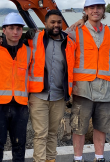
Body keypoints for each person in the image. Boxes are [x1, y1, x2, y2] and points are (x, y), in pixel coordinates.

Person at [68, 0, 110, 162]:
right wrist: (78, 22)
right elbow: (59, 37)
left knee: (101, 127)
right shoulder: (76, 32)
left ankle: (99, 157)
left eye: (99, 7)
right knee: (79, 127)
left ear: (104, 10)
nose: (95, 10)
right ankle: (78, 159)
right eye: (92, 8)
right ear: (86, 10)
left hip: (106, 89)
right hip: (83, 89)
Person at [27, 10, 76, 162]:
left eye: (59, 22)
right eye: (52, 22)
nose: (56, 25)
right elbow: (13, 43)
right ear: (45, 23)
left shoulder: (69, 43)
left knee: (53, 133)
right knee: (41, 134)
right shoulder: (34, 38)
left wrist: (82, 19)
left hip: (59, 96)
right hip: (38, 95)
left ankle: (50, 159)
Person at [0, 12, 32, 162]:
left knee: (19, 145)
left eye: (18, 28)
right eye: (11, 28)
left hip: (20, 105)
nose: (15, 32)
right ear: (4, 30)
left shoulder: (28, 51)